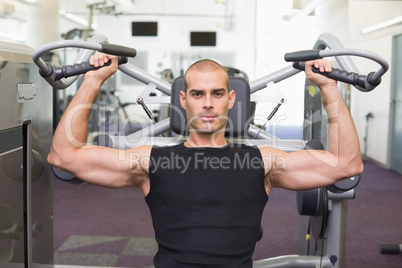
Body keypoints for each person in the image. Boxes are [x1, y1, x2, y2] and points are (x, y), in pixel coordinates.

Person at [48, 54, 363, 267]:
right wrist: (92, 81)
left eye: (217, 94)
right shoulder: (151, 161)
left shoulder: (262, 162)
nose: (208, 104)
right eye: (197, 94)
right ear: (183, 100)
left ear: (231, 99)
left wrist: (328, 88)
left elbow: (346, 164)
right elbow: (64, 155)